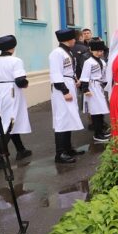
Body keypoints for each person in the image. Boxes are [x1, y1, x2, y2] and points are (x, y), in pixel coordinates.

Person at [0, 35, 32, 161]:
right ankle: (0, 155)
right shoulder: (16, 61)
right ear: (13, 47)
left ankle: (21, 149)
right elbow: (20, 80)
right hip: (11, 91)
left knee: (5, 120)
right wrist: (26, 83)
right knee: (10, 121)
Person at [49, 28, 85, 163]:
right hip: (62, 88)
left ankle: (68, 148)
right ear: (69, 39)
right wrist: (64, 90)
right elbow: (56, 73)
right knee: (62, 119)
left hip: (68, 84)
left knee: (69, 117)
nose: (75, 40)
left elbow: (69, 69)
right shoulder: (56, 53)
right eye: (73, 38)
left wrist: (75, 79)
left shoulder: (67, 51)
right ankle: (60, 153)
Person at [79, 39, 110, 143]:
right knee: (95, 111)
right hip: (91, 88)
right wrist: (85, 89)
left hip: (99, 87)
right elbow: (84, 76)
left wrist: (107, 85)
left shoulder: (102, 62)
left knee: (101, 110)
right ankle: (97, 134)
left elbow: (104, 77)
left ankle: (101, 130)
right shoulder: (88, 62)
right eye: (97, 51)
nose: (99, 53)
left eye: (101, 51)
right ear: (91, 51)